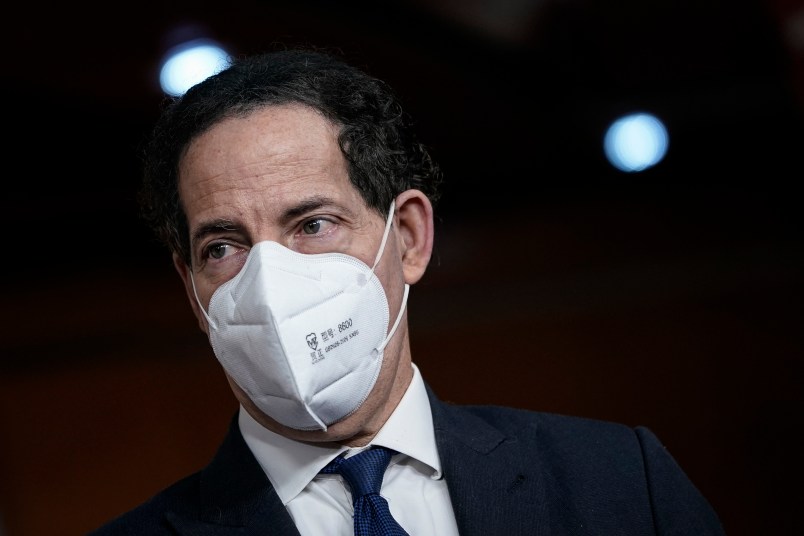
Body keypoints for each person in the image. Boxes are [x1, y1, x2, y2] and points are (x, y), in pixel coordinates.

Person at [90, 46, 725, 535]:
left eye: (313, 225)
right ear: (192, 289)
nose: (268, 280)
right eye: (222, 247)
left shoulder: (615, 481)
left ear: (410, 238)